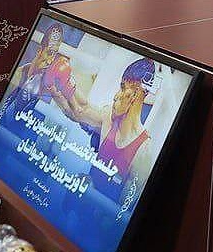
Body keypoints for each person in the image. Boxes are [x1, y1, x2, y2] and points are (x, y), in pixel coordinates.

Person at [59, 57, 156, 195]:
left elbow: (125, 204)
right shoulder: (108, 117)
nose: (116, 96)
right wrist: (62, 83)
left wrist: (94, 197)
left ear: (136, 94)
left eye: (123, 88)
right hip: (80, 198)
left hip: (99, 207)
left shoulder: (143, 150)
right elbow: (80, 111)